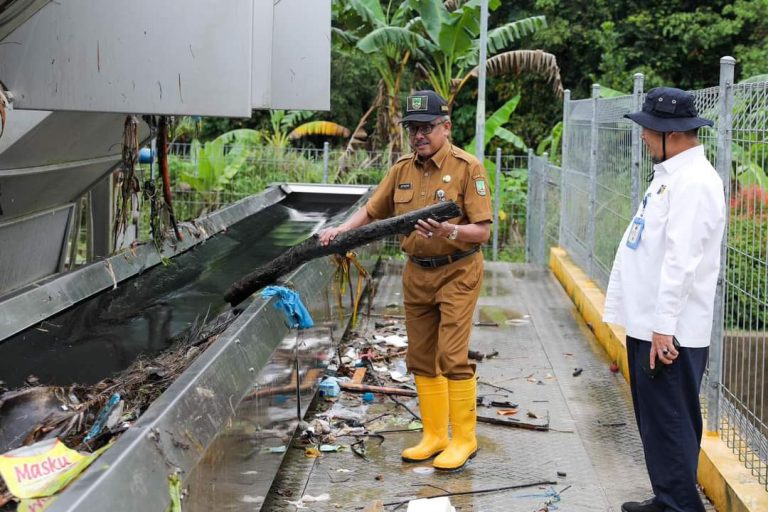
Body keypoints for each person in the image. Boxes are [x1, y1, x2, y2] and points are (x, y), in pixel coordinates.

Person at [319, 90, 492, 470]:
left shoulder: (468, 168)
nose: (419, 135)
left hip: (458, 270)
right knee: (420, 355)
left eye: (427, 127)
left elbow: (481, 232)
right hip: (417, 272)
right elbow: (371, 210)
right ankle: (434, 435)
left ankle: (464, 439)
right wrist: (340, 231)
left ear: (446, 127)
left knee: (451, 354)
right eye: (413, 128)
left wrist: (448, 231)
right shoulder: (402, 169)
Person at [603, 87, 726, 512]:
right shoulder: (673, 176)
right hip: (653, 323)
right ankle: (668, 499)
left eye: (647, 130)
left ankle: (679, 507)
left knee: (670, 424)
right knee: (659, 424)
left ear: (671, 135)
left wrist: (662, 328)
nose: (642, 137)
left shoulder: (693, 183)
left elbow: (681, 261)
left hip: (668, 331)